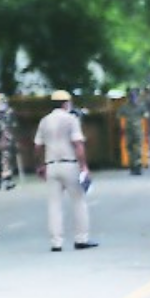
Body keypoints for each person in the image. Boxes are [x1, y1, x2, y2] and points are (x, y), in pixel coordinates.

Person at [34, 91, 97, 252]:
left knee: (54, 204)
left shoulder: (45, 121)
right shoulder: (71, 120)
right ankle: (81, 239)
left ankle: (56, 242)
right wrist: (84, 166)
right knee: (78, 201)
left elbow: (38, 146)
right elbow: (78, 144)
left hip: (51, 165)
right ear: (66, 103)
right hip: (70, 164)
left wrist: (40, 165)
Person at [117, 88, 146, 175]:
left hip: (136, 130)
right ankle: (133, 165)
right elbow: (118, 116)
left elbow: (145, 115)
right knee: (130, 148)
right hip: (130, 130)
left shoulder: (140, 106)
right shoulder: (125, 107)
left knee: (137, 148)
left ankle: (137, 165)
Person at [0, 95, 19, 190]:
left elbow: (12, 126)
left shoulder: (10, 112)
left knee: (6, 160)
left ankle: (7, 180)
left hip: (7, 140)